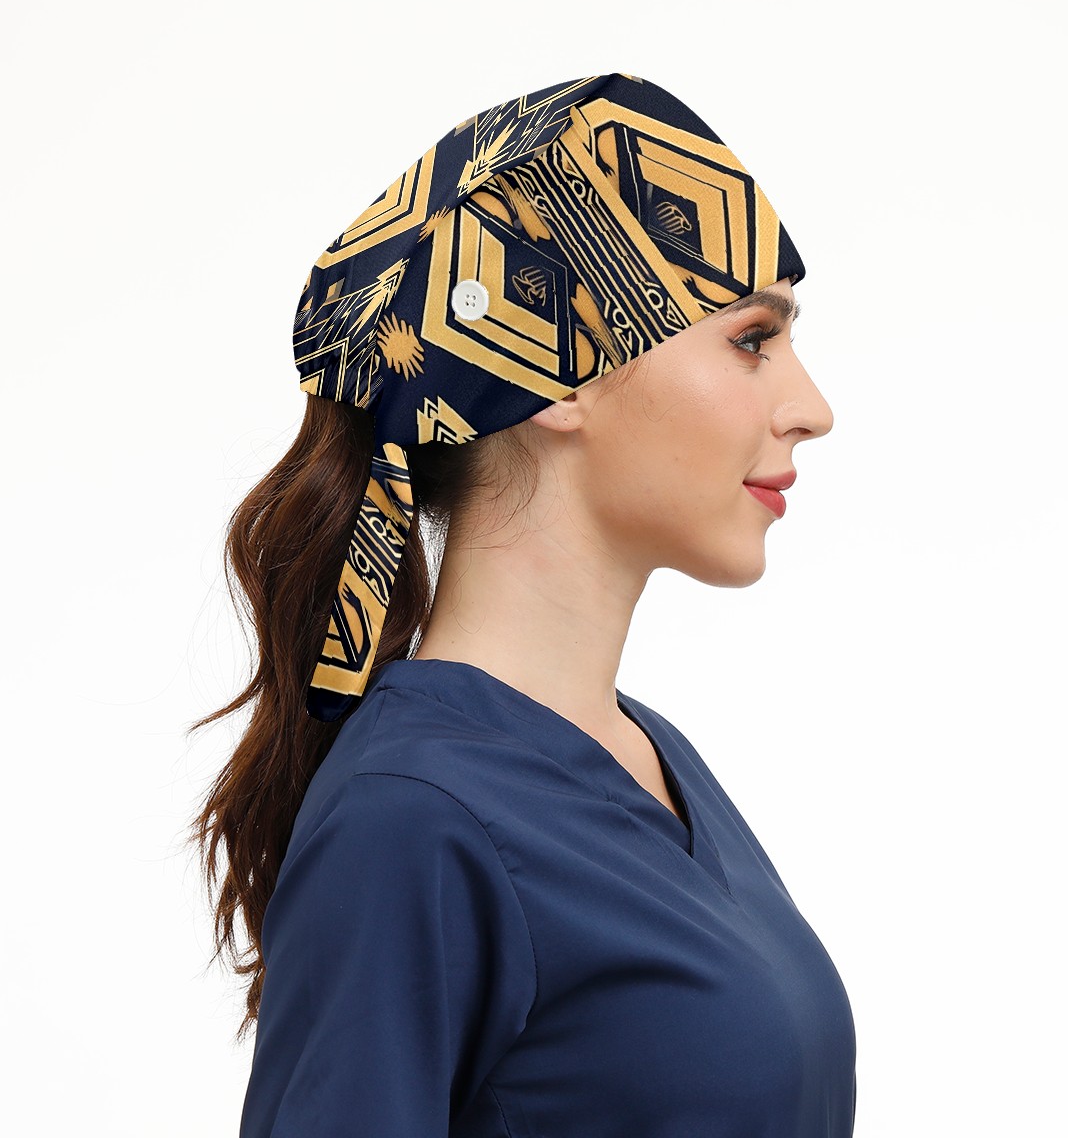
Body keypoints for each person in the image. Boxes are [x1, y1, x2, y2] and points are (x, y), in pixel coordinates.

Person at [190, 71, 857, 1136]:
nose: (810, 407)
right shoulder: (412, 818)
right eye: (750, 340)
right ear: (558, 374)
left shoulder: (649, 758)